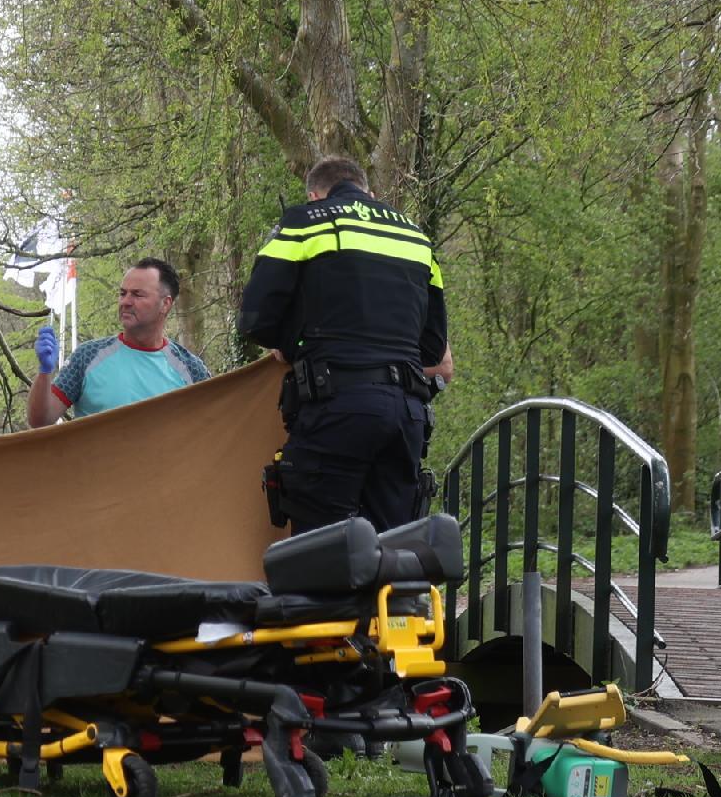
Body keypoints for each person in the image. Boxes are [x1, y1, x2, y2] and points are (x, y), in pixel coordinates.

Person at [239, 155, 453, 536]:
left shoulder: (305, 220)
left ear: (314, 195)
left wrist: (294, 343)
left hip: (336, 405)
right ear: (369, 192)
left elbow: (256, 320)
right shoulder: (415, 236)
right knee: (394, 547)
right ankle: (393, 598)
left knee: (323, 549)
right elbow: (433, 347)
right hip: (407, 414)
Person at [27, 258, 210, 427]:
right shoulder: (87, 356)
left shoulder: (191, 369)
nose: (126, 301)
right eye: (123, 293)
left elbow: (214, 430)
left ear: (165, 304)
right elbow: (40, 421)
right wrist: (44, 372)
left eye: (137, 295)